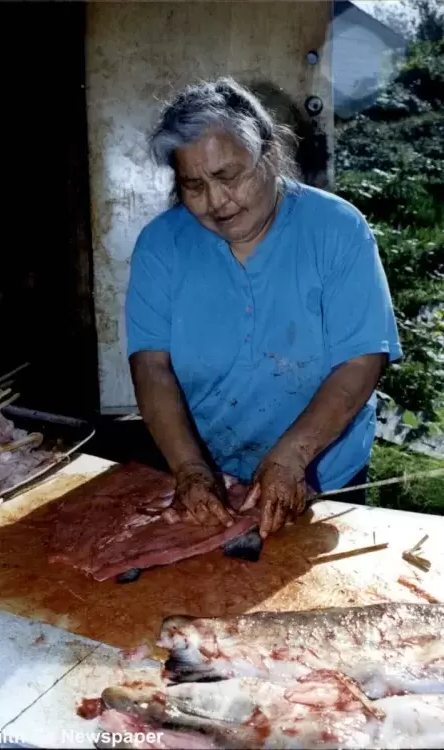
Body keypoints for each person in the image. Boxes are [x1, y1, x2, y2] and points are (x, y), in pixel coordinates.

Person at [125, 77, 402, 538]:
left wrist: (293, 456)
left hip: (322, 471)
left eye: (228, 177)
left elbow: (361, 359)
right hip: (211, 467)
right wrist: (192, 471)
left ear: (269, 154)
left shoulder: (337, 229)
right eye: (194, 186)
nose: (216, 202)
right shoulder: (161, 245)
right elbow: (152, 366)